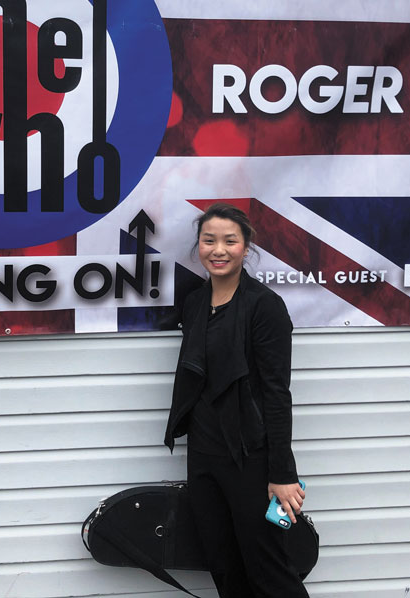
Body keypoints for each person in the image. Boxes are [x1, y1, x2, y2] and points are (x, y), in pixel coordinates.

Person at [164, 202, 309, 598]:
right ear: (198, 247)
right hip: (205, 456)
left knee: (268, 569)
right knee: (224, 567)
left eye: (230, 241)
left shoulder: (264, 307)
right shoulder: (194, 303)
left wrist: (281, 473)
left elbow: (277, 394)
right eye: (209, 240)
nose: (219, 250)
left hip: (252, 458)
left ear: (246, 249)